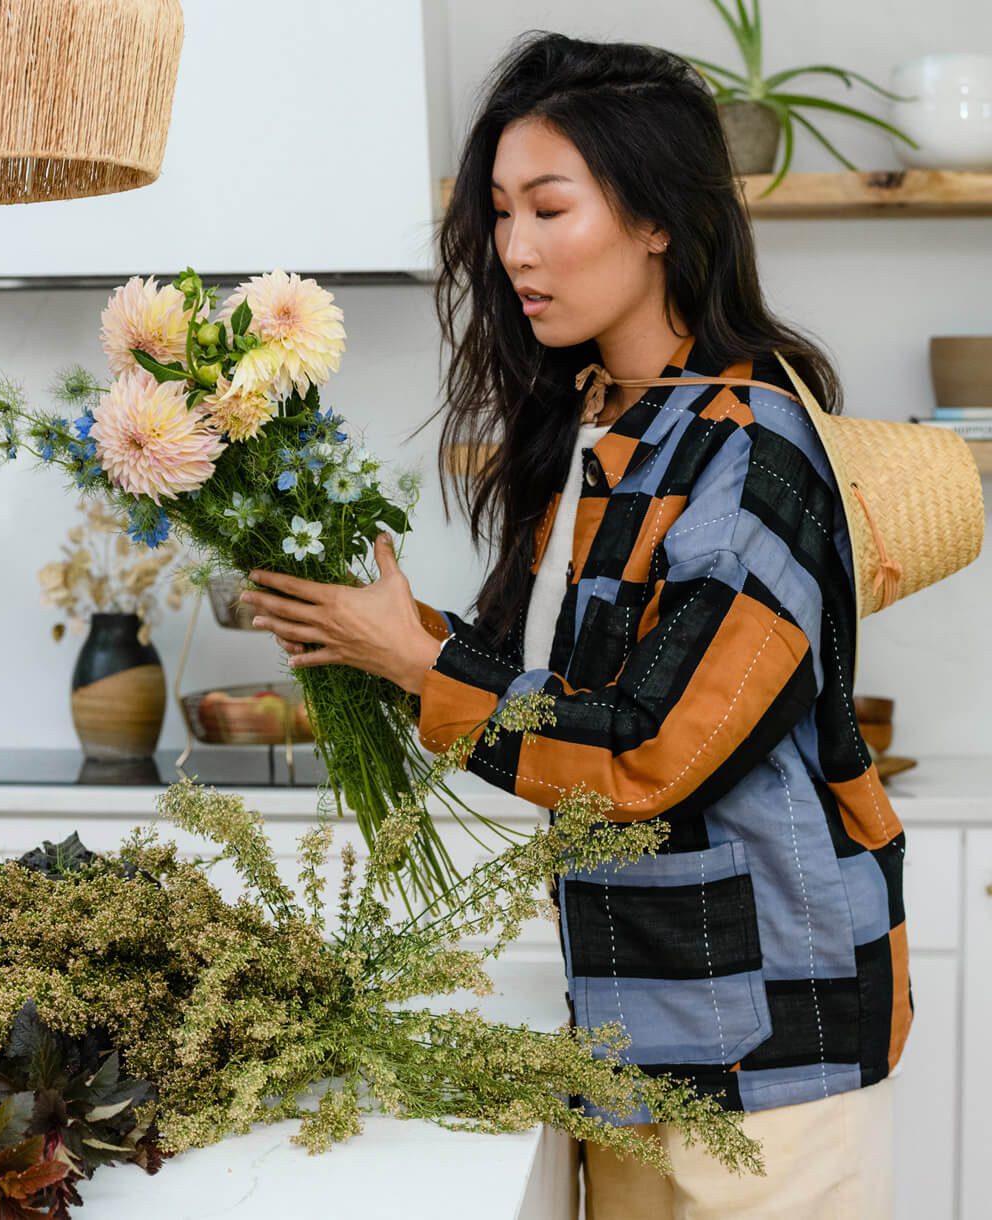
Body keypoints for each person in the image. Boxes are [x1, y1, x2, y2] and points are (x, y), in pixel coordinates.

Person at [239, 31, 910, 1220]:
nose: (513, 249)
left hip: (774, 1053)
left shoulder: (750, 449)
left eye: (549, 208)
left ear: (656, 218)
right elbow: (582, 695)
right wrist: (383, 638)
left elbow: (648, 749)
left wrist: (423, 661)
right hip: (627, 1025)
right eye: (498, 212)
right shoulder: (615, 426)